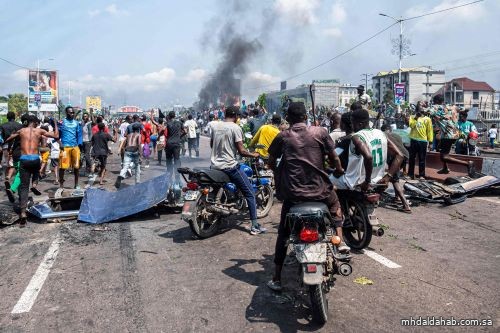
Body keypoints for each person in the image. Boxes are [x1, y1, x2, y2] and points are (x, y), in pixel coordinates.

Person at [266, 102, 347, 292]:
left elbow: (270, 162)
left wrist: (279, 168)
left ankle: (277, 278)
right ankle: (341, 241)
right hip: (320, 191)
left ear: (288, 118)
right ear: (305, 117)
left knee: (283, 234)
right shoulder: (320, 132)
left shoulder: (283, 136)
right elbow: (334, 158)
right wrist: (339, 169)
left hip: (293, 195)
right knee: (336, 207)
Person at [210, 105, 265, 235]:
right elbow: (242, 151)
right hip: (230, 167)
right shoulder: (236, 127)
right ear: (235, 116)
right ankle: (255, 226)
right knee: (250, 193)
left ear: (225, 115)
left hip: (214, 166)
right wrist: (254, 154)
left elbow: (212, 145)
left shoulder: (216, 126)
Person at [330, 107, 404, 191]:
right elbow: (400, 155)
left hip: (355, 182)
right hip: (378, 181)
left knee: (328, 181)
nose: (352, 126)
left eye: (353, 123)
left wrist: (367, 181)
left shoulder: (357, 137)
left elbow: (368, 157)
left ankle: (335, 204)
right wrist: (388, 176)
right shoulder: (381, 133)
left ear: (360, 124)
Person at [5, 115, 59, 227]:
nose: (38, 124)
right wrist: (55, 124)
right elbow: (56, 136)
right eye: (37, 122)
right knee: (36, 169)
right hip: (34, 159)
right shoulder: (39, 131)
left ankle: (23, 212)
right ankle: (34, 184)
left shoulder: (21, 131)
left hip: (24, 160)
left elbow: (8, 138)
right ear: (34, 122)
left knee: (24, 188)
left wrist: (13, 136)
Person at [429, 95, 475, 176]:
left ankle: (467, 163)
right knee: (441, 150)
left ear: (435, 101)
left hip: (448, 135)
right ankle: (445, 168)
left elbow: (425, 111)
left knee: (444, 156)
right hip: (454, 133)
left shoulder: (436, 107)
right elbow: (465, 109)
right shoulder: (453, 107)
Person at [381, 124, 412, 213]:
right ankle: (396, 197)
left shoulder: (384, 136)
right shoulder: (396, 135)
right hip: (405, 155)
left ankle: (406, 205)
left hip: (396, 157)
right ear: (390, 130)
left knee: (395, 180)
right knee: (395, 177)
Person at [58, 106, 83, 189]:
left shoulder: (76, 123)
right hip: (65, 148)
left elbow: (79, 135)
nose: (72, 114)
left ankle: (76, 184)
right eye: (70, 112)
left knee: (76, 167)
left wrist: (80, 145)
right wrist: (60, 143)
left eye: (73, 112)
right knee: (63, 167)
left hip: (74, 147)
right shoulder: (62, 122)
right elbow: (56, 135)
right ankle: (61, 184)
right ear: (66, 113)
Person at [407, 102, 433, 179]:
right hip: (413, 139)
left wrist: (430, 142)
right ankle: (410, 174)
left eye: (422, 106)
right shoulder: (412, 117)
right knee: (412, 158)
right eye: (420, 106)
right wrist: (416, 118)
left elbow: (429, 131)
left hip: (423, 141)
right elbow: (411, 126)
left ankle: (421, 175)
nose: (421, 107)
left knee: (422, 159)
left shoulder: (427, 119)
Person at [115, 123, 142, 188]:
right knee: (137, 167)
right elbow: (139, 144)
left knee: (125, 167)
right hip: (134, 151)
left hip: (127, 151)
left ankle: (121, 175)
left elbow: (124, 144)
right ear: (138, 129)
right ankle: (137, 182)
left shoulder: (128, 135)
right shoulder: (139, 135)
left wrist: (123, 151)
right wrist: (140, 155)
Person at [1, 111, 23, 184]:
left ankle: (6, 177)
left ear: (7, 117)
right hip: (17, 147)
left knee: (6, 163)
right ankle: (16, 177)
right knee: (16, 163)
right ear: (14, 117)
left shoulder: (3, 125)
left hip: (5, 146)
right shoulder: (20, 125)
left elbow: (0, 138)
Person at [165, 111, 184, 182]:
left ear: (169, 117)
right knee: (177, 159)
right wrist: (179, 137)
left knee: (169, 159)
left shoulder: (168, 123)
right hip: (176, 143)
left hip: (169, 143)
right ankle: (177, 176)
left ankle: (169, 175)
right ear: (175, 116)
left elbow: (164, 131)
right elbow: (185, 131)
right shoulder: (179, 123)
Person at [81, 111, 94, 175]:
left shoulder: (90, 123)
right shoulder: (82, 123)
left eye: (86, 116)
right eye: (83, 116)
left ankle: (92, 167)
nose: (84, 117)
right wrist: (77, 113)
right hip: (82, 141)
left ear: (88, 117)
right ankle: (87, 168)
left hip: (88, 141)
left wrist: (91, 114)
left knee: (86, 155)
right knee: (84, 155)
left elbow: (94, 122)